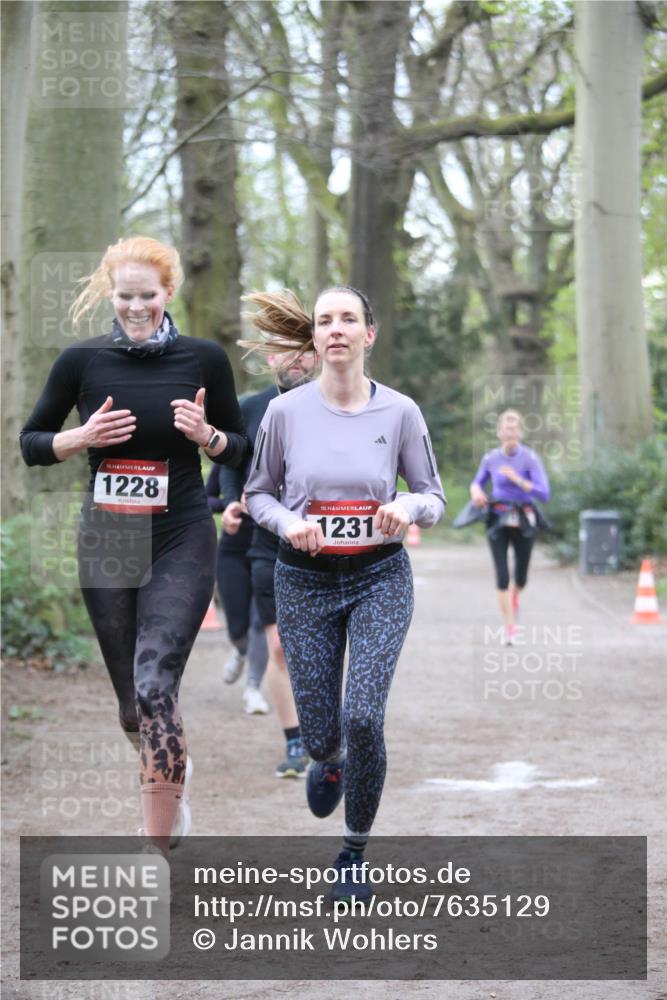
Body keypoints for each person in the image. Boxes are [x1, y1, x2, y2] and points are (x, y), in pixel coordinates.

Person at [20, 236, 249, 855]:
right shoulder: (80, 361)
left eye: (148, 295)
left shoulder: (204, 359)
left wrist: (208, 437)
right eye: (125, 296)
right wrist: (79, 438)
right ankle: (170, 768)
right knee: (131, 706)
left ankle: (155, 842)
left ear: (168, 292)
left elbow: (242, 447)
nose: (137, 307)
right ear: (110, 294)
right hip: (108, 537)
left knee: (155, 682)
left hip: (180, 532)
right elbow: (31, 441)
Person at [243, 286, 446, 902]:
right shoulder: (285, 413)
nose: (336, 329)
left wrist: (406, 506)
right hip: (303, 580)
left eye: (348, 319)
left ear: (368, 334)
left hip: (379, 577)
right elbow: (258, 494)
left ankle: (352, 853)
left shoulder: (401, 412)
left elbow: (433, 495)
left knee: (363, 716)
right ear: (314, 337)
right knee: (322, 733)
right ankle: (328, 759)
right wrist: (289, 523)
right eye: (325, 320)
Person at [216, 342, 318, 775]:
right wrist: (229, 502)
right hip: (265, 539)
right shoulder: (250, 408)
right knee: (278, 647)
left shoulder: (337, 405)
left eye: (303, 351)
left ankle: (327, 733)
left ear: (317, 356)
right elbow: (229, 462)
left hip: (326, 543)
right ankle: (295, 743)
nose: (295, 360)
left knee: (320, 648)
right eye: (284, 351)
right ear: (270, 359)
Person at [469, 408, 551, 644]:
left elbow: (544, 494)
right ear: (499, 433)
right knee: (502, 576)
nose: (510, 433)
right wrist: (476, 492)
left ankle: (515, 595)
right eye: (506, 429)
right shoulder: (491, 458)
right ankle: (510, 627)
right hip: (498, 518)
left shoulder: (530, 458)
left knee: (521, 578)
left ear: (521, 433)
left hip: (524, 517)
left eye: (514, 429)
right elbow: (477, 482)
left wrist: (518, 480)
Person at [206, 461, 270, 715]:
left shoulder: (283, 454)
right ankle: (242, 651)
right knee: (237, 627)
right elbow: (205, 498)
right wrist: (230, 504)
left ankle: (253, 688)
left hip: (269, 551)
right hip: (233, 551)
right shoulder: (231, 456)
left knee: (260, 624)